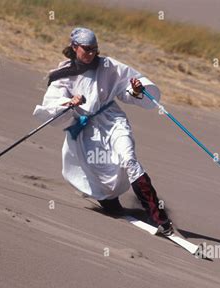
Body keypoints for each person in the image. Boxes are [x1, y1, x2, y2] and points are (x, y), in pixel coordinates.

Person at [33, 27, 173, 235]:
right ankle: (109, 202)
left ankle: (158, 217)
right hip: (86, 129)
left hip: (112, 120)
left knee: (129, 160)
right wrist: (69, 102)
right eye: (87, 49)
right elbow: (52, 102)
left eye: (95, 49)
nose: (91, 54)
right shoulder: (62, 75)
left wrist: (135, 89)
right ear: (74, 47)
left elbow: (128, 87)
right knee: (100, 171)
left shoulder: (108, 66)